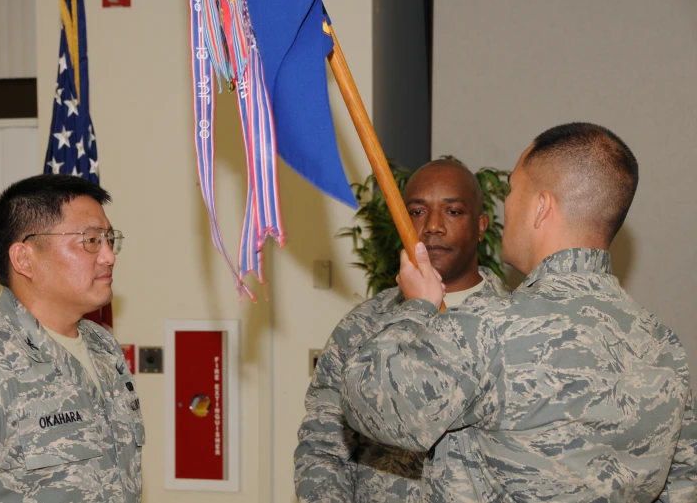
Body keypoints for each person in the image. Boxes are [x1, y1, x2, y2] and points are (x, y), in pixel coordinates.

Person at [340, 122, 697, 501]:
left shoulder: (489, 327)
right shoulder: (663, 346)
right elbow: (684, 483)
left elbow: (373, 407)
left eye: (512, 190)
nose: (505, 205)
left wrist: (415, 308)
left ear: (541, 207)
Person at [0, 174, 144, 502]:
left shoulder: (102, 346)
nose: (109, 256)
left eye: (109, 239)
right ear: (24, 258)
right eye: (91, 240)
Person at [295, 159, 508, 502]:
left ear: (481, 226)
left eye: (453, 212)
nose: (433, 227)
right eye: (417, 212)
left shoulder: (514, 325)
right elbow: (323, 445)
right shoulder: (362, 326)